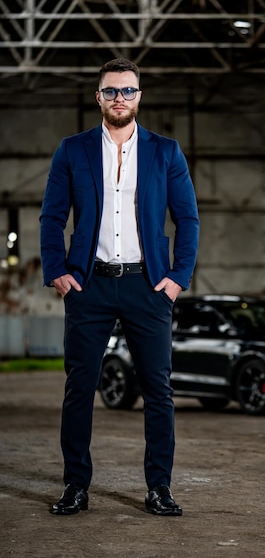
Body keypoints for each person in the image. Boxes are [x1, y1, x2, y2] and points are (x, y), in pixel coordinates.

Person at [40, 58, 199, 516]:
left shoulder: (165, 151)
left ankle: (159, 488)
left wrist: (176, 279)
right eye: (111, 91)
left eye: (127, 91)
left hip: (148, 287)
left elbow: (187, 218)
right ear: (99, 97)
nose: (119, 99)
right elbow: (52, 216)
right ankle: (76, 486)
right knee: (79, 388)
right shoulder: (72, 150)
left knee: (158, 390)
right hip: (88, 284)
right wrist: (59, 272)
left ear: (139, 97)